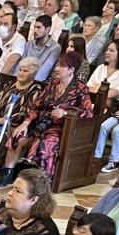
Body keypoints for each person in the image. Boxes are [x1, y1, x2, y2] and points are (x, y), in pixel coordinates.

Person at [17, 50, 94, 181]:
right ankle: (13, 173)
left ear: (71, 70)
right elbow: (36, 106)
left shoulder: (80, 88)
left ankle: (42, 180)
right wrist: (26, 122)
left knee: (46, 142)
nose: (57, 69)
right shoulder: (52, 84)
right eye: (57, 65)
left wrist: (65, 113)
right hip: (42, 123)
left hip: (62, 128)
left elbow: (88, 113)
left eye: (61, 66)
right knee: (18, 136)